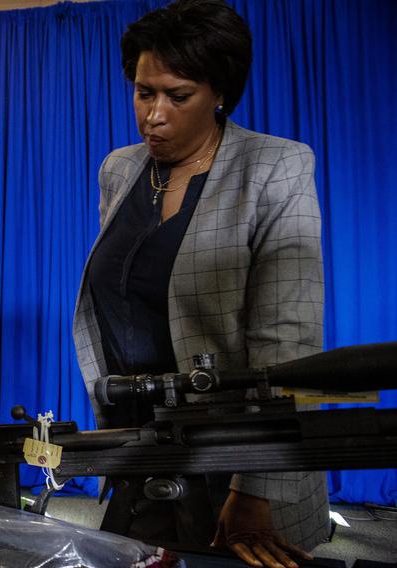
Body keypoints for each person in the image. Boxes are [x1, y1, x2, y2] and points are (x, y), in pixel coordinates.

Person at [72, 1, 327, 567]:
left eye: (177, 96)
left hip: (238, 464)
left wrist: (256, 488)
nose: (153, 116)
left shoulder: (277, 167)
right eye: (144, 92)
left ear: (219, 93)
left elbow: (289, 344)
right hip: (141, 450)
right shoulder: (120, 168)